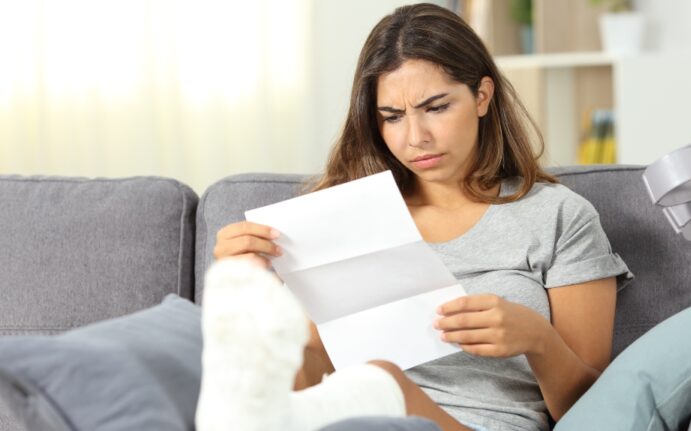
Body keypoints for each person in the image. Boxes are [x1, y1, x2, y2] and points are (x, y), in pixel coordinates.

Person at [198, 3, 632, 431]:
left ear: (482, 96)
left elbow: (596, 411)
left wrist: (539, 340)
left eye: (436, 107)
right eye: (392, 117)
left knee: (380, 381)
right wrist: (252, 293)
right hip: (343, 418)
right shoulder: (339, 216)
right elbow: (304, 380)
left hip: (473, 423)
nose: (416, 138)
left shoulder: (558, 216)